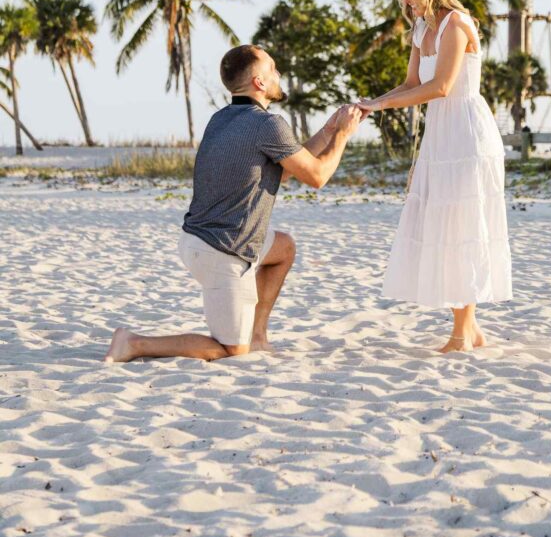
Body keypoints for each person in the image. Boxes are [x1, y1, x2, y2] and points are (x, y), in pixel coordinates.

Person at [105, 44, 365, 363]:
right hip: (223, 253)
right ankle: (133, 344)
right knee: (230, 351)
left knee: (283, 248)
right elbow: (317, 176)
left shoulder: (222, 119)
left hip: (199, 241)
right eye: (272, 69)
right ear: (259, 82)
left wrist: (327, 130)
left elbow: (284, 171)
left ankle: (257, 335)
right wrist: (343, 135)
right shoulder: (268, 124)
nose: (278, 74)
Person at [357, 0, 513, 353]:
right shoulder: (420, 29)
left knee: (462, 224)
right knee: (443, 223)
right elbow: (411, 83)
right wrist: (371, 104)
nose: (405, 1)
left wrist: (384, 106)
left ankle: (463, 333)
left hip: (467, 134)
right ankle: (470, 329)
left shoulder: (457, 24)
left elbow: (442, 86)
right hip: (440, 134)